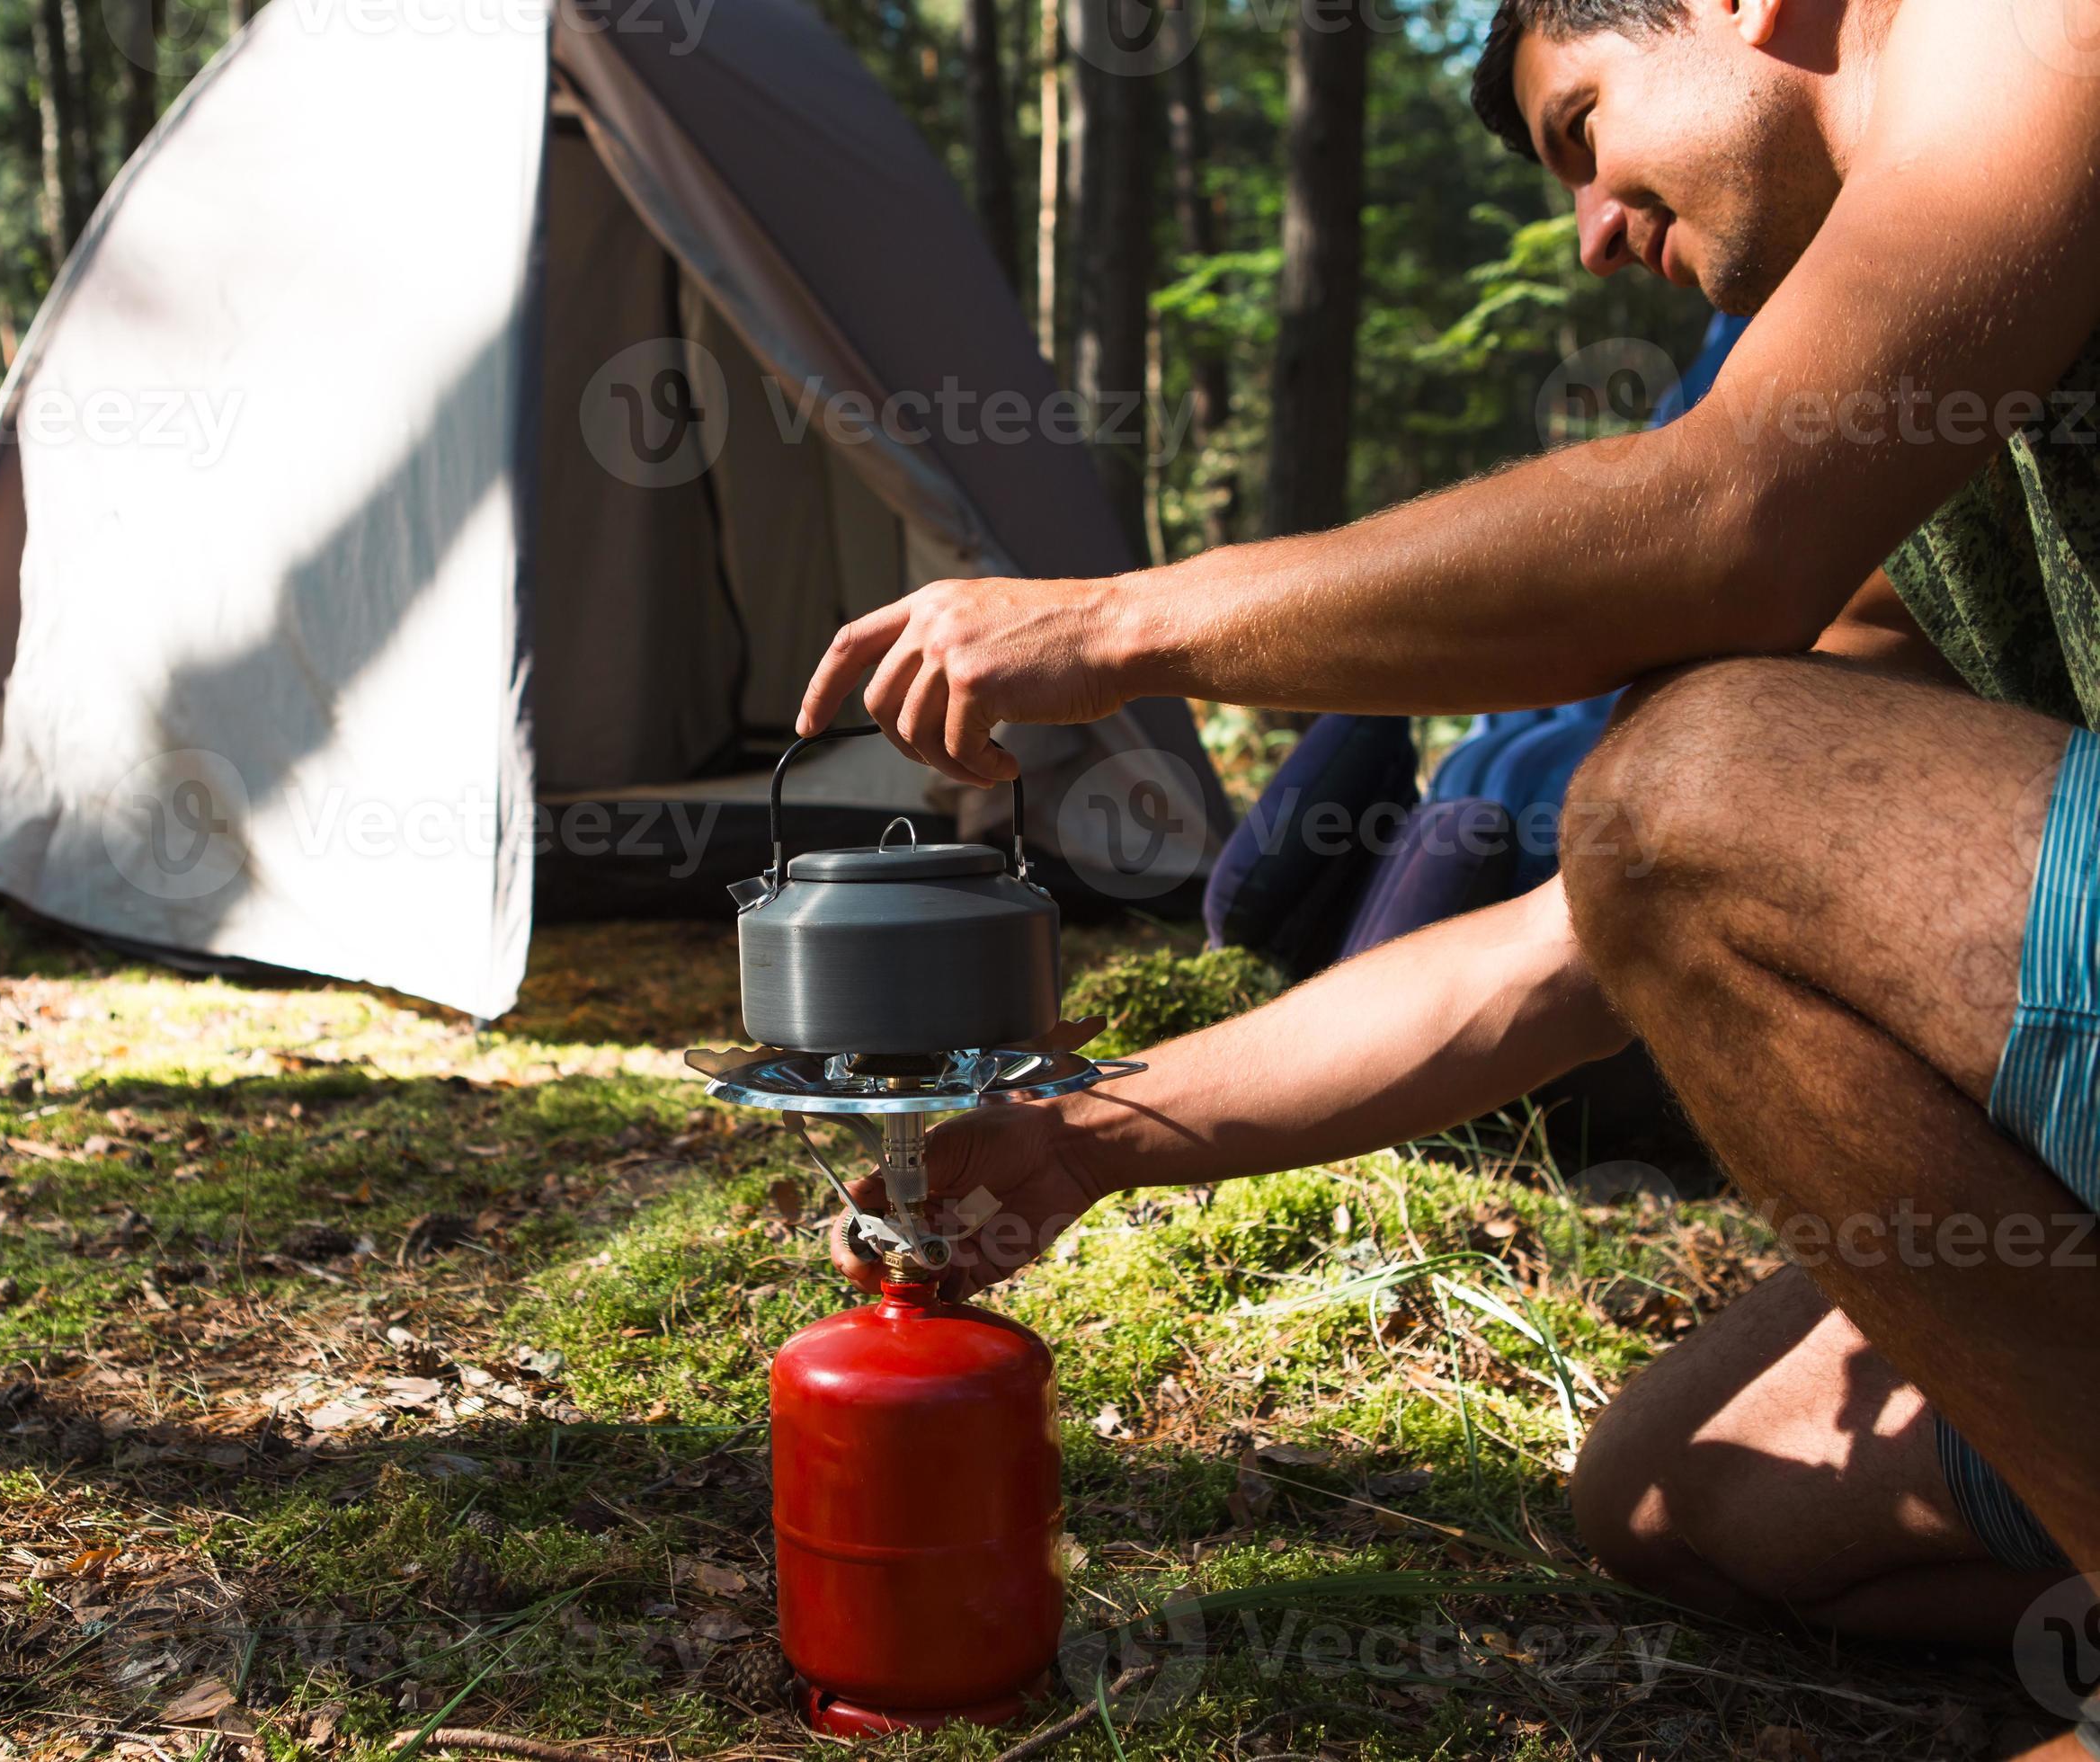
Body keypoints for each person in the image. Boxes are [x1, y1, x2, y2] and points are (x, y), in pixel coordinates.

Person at [800, 0, 2100, 1732]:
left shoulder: (2020, 26)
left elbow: (1718, 528)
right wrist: (1078, 1141)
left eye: (1582, 128)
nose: (1590, 229)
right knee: (1674, 1497)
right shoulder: (1919, 481)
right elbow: (1562, 953)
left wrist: (1120, 624)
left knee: (1687, 775)